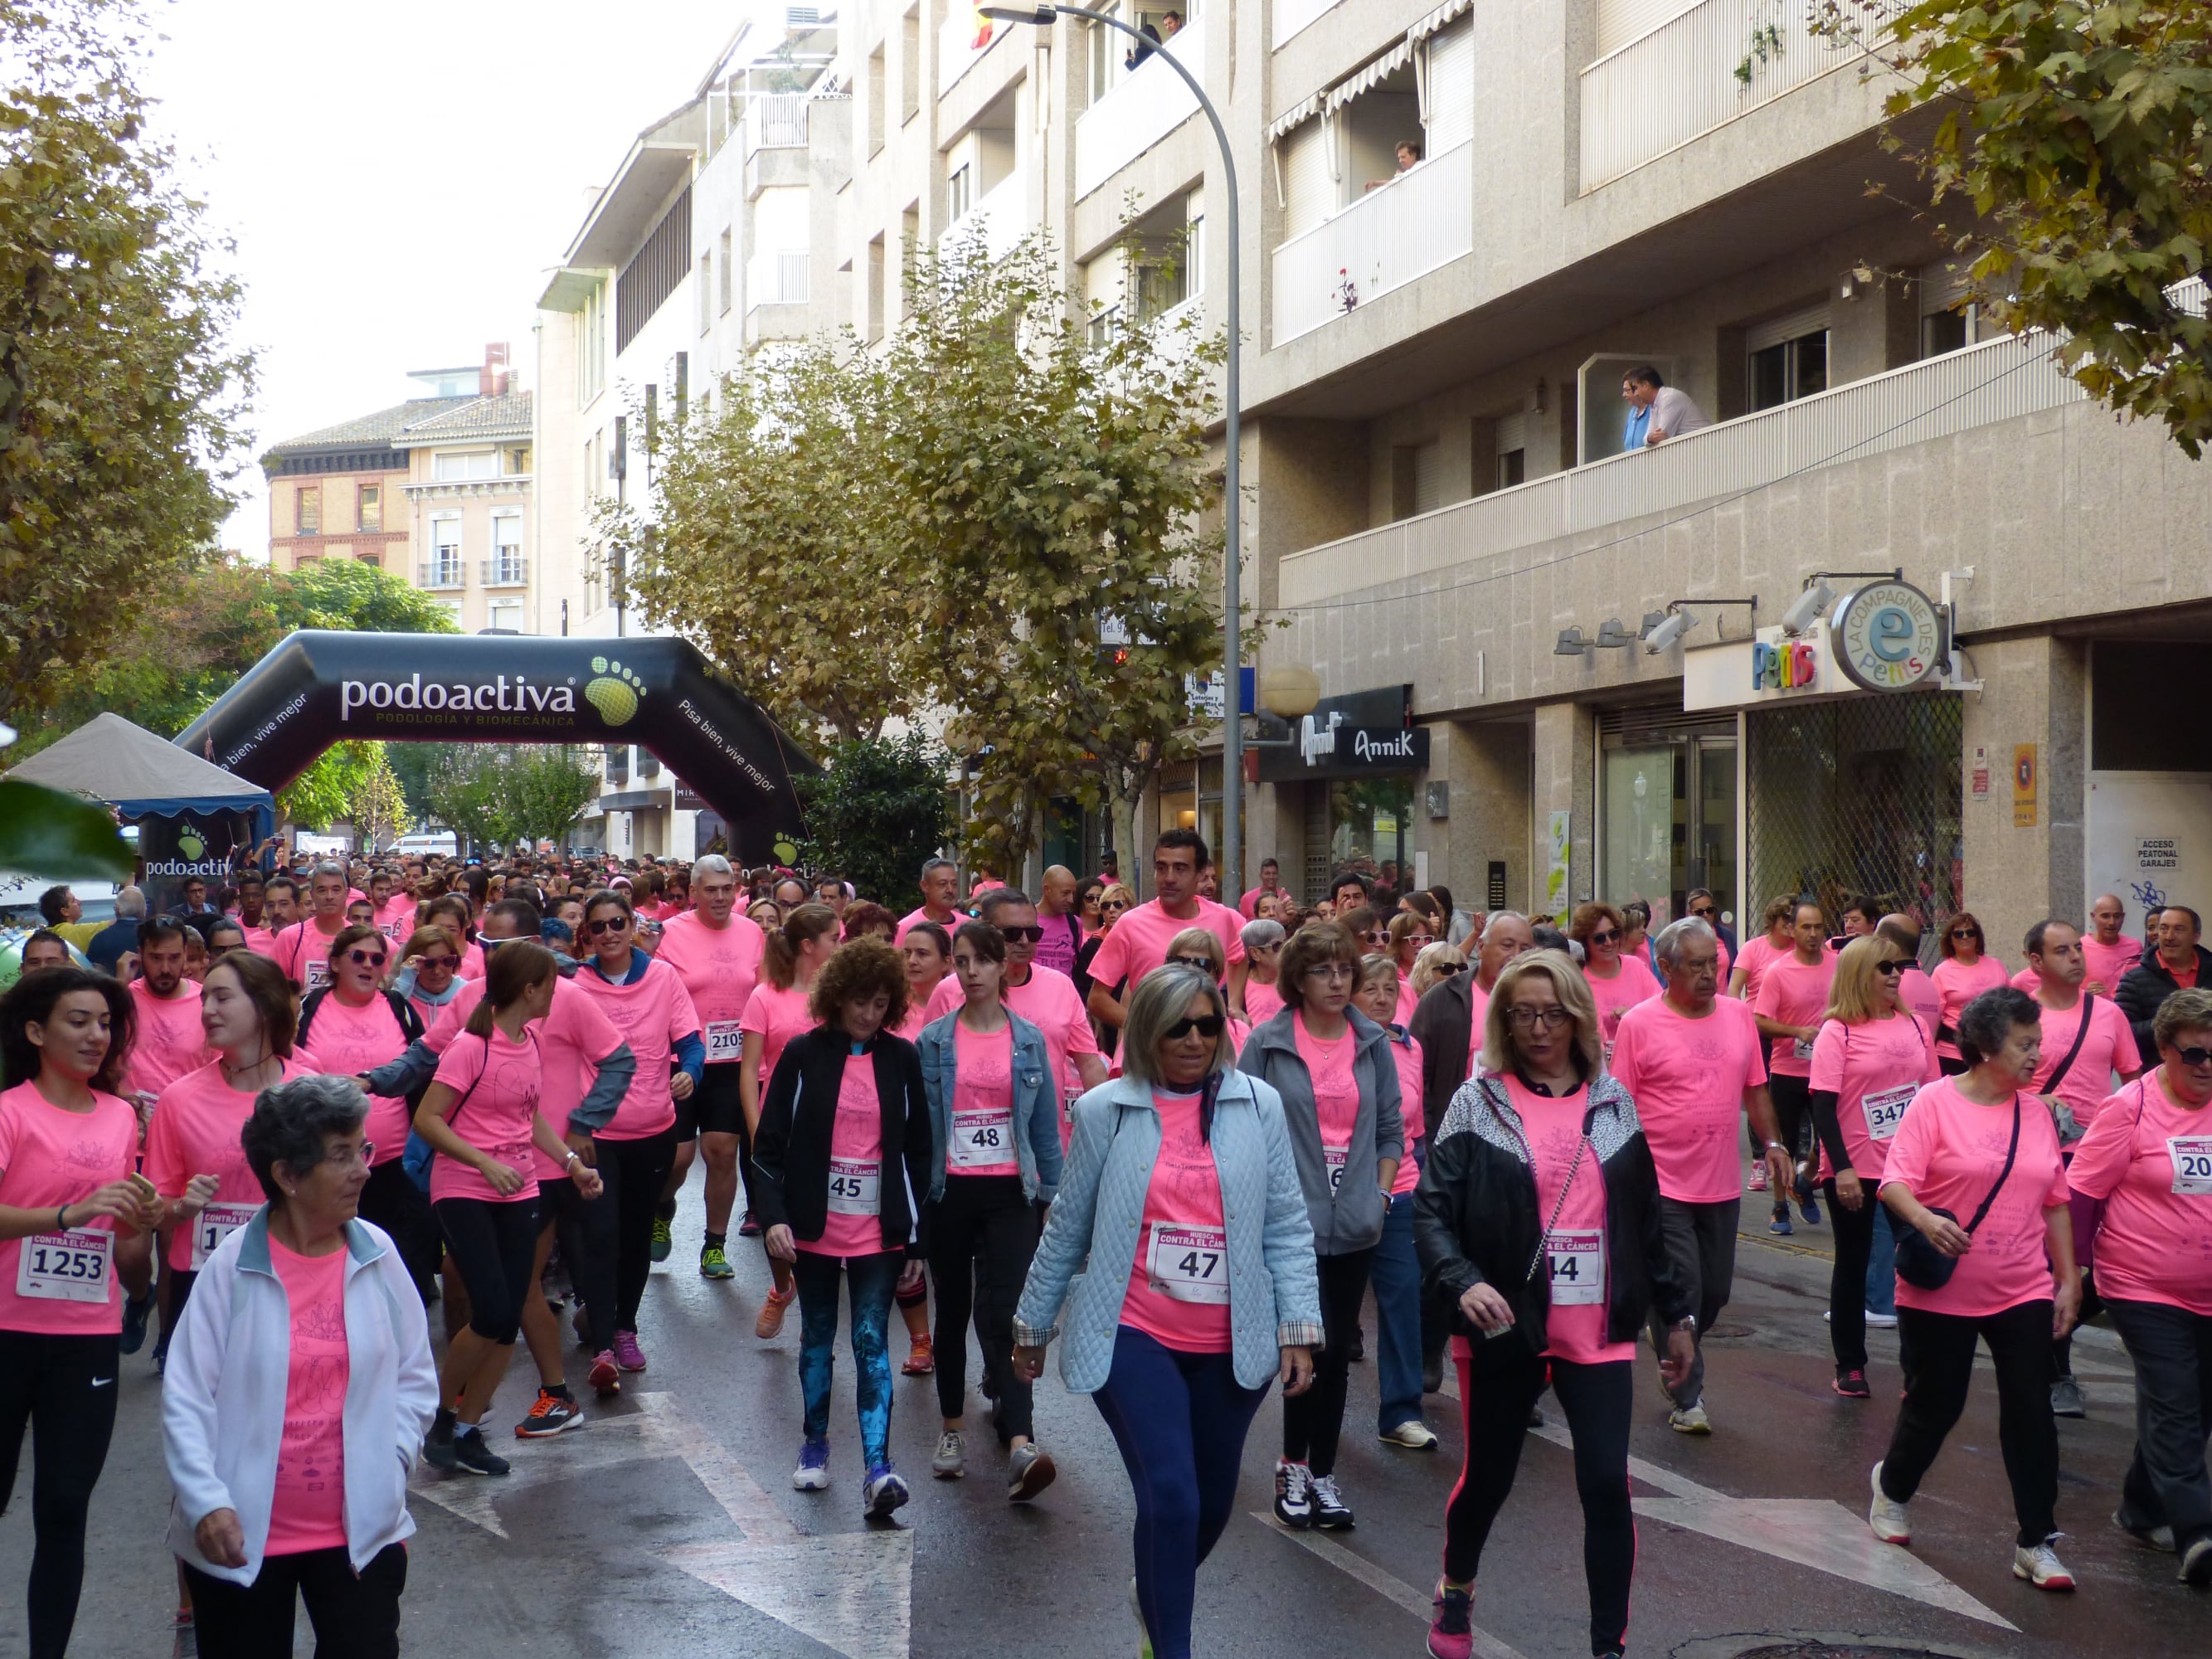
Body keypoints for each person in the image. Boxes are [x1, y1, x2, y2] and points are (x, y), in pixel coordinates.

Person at [1012, 965, 1320, 1659]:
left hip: (1233, 1342)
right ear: (1147, 1029)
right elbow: (1067, 1225)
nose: (1192, 1039)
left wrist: (1299, 1328)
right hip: (1132, 1331)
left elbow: (1286, 1223)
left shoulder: (1259, 1105)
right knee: (1173, 1498)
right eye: (1176, 1025)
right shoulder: (1103, 1109)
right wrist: (1031, 1327)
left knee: (1207, 1507)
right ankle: (1171, 1646)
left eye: (1207, 1024)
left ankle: (1152, 1586)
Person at [1414, 951, 1695, 1659]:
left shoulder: (1614, 1102)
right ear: (1503, 1021)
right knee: (1488, 1478)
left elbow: (1644, 1218)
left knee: (1605, 1483)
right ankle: (1456, 1587)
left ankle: (1609, 1646)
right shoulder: (1477, 1103)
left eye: (1553, 1013)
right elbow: (1431, 1212)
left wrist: (1676, 1318)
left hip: (1597, 1325)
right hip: (1506, 1321)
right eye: (1522, 1013)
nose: (1539, 1028)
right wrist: (1462, 1281)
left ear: (1579, 1018)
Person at [161, 1074, 437, 1657]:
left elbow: (415, 1378)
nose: (364, 1168)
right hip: (240, 1545)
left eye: (361, 1149)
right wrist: (207, 1501)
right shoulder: (231, 1268)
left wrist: (391, 1466)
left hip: (360, 1538)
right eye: (341, 1156)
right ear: (286, 1175)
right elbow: (187, 1394)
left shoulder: (378, 1255)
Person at [367, 900, 635, 1426]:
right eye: (482, 943)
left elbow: (619, 1061)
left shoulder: (567, 999)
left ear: (530, 952)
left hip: (548, 1170)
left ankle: (521, 1393)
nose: (482, 954)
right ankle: (481, 1400)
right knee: (491, 1289)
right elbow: (423, 1060)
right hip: (497, 1174)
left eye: (496, 946)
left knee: (530, 1287)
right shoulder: (476, 1002)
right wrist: (372, 1082)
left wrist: (581, 1127)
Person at [1869, 986, 2080, 1590]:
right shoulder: (1932, 1104)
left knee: (2030, 1410)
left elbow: (2056, 1203)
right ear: (1986, 1046)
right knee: (1937, 1404)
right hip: (1942, 1289)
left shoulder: (2037, 1114)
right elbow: (1894, 1183)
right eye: (2024, 1044)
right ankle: (1892, 1488)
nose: (2035, 1055)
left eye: (2037, 1043)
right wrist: (1927, 1220)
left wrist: (2067, 1279)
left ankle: (2036, 1541)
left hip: (2021, 1286)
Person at [0, 966, 163, 1658]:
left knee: (65, 1511)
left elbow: (122, 1226)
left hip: (86, 1337)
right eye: (79, 1021)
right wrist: (68, 1213)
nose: (97, 1035)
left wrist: (154, 1217)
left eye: (105, 1023)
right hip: (5, 1331)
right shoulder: (9, 1111)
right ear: (36, 1032)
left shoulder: (123, 1114)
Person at [753, 939, 933, 1518]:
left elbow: (917, 1153)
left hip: (878, 1229)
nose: (869, 1014)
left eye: (881, 1004)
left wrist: (914, 1237)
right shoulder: (804, 1055)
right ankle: (813, 1444)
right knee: (817, 1337)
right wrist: (776, 1217)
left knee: (872, 1342)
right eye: (860, 1001)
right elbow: (767, 1148)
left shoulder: (901, 1059)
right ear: (836, 998)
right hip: (812, 1227)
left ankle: (878, 1467)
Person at [414, 941, 605, 1475]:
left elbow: (531, 1117)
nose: (557, 992)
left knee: (506, 1321)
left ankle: (470, 1430)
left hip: (518, 1189)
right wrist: (484, 1162)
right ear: (529, 989)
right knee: (494, 1309)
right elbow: (428, 1120)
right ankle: (444, 1419)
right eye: (551, 983)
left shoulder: (532, 1040)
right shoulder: (471, 1046)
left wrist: (570, 1164)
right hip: (464, 1188)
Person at [1238, 919, 1402, 1530]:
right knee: (1304, 1344)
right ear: (1296, 981)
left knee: (1334, 1352)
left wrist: (1380, 1197)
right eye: (1322, 971)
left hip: (1355, 1222)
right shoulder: (1267, 1042)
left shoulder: (1371, 1041)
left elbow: (1390, 1128)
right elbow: (1242, 1128)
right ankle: (1291, 1465)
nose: (1337, 982)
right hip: (1290, 1226)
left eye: (1344, 970)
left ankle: (1323, 1473)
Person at [1610, 917, 1791, 1432]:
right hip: (1661, 1183)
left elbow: (1756, 1090)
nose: (1710, 973)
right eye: (1696, 965)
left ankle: (1669, 1325)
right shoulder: (1639, 1024)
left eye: (1714, 962)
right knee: (1686, 1289)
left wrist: (1774, 1143)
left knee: (1714, 1294)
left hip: (1720, 1184)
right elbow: (1619, 1107)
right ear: (1664, 968)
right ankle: (1688, 1398)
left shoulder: (1738, 1016)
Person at [2067, 986, 2212, 1583]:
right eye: (2196, 1055)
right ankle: (2198, 1534)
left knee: (2191, 1405)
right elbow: (2081, 1194)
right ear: (2163, 1050)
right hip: (2140, 1286)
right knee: (2176, 1404)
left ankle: (2139, 1505)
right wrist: (2070, 1277)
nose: (2207, 1067)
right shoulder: (2128, 1108)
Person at [916, 922, 1064, 1497]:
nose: (970, 971)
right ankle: (952, 1427)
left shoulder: (1027, 1040)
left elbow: (1045, 1130)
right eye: (961, 961)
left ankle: (1021, 1442)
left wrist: (1049, 1203)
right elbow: (919, 1132)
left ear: (1004, 967)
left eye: (981, 961)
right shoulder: (931, 1042)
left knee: (1009, 1314)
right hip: (949, 1191)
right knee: (951, 1312)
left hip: (1011, 1195)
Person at [144, 954, 317, 1366]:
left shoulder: (307, 1089)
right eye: (204, 998)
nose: (206, 1011)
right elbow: (157, 1209)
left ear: (264, 1006)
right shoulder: (179, 1098)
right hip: (206, 1281)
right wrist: (182, 1207)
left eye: (222, 998)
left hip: (293, 1275)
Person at [567, 889, 702, 1376]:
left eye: (617, 923)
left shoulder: (663, 977)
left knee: (635, 1236)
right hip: (597, 1136)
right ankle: (603, 1342)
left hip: (654, 1129)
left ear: (632, 926)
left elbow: (690, 1042)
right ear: (587, 934)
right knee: (601, 1236)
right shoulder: (575, 984)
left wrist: (691, 1071)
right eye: (598, 927)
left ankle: (626, 1328)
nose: (609, 934)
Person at [1804, 935, 1939, 1399]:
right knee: (1854, 1262)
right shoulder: (1837, 1031)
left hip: (1909, 1168)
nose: (1895, 975)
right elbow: (1822, 1107)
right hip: (1854, 1166)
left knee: (1920, 1263)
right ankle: (1850, 1365)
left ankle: (1919, 1368)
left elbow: (1933, 1095)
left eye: (1898, 966)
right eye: (1885, 968)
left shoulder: (1917, 1026)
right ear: (1861, 973)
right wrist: (1839, 1168)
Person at [2020, 917, 2143, 1418]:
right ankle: (2057, 1372)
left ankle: (2045, 1334)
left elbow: (2135, 1080)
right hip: (2038, 1156)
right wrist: (2037, 1099)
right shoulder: (2022, 1016)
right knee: (2056, 1264)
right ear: (2036, 962)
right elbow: (1993, 1080)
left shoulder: (2108, 1014)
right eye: (2062, 950)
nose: (2076, 957)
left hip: (2099, 1155)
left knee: (2111, 1263)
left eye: (2077, 948)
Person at [293, 925, 435, 1304]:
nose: (368, 965)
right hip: (324, 1162)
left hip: (393, 1162)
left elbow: (421, 1068)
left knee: (393, 1264)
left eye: (377, 958)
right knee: (334, 1261)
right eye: (358, 956)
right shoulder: (309, 1007)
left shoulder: (397, 1007)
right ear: (336, 963)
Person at [652, 856, 769, 1281]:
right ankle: (663, 1208)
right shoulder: (672, 933)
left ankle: (714, 1246)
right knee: (678, 1156)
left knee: (721, 1152)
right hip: (680, 1060)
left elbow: (763, 991)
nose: (720, 897)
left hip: (732, 1062)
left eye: (727, 889)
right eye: (711, 889)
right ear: (695, 891)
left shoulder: (753, 932)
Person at [922, 890, 1106, 1150]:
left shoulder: (1061, 987)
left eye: (1032, 933)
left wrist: (1105, 1123)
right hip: (965, 1154)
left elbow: (1089, 1064)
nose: (1023, 941)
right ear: (985, 933)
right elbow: (928, 1073)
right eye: (1010, 933)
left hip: (1043, 1149)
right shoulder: (950, 991)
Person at [739, 904, 843, 1337]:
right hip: (780, 1125)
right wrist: (757, 1128)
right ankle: (782, 1289)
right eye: (835, 938)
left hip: (835, 1124)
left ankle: (818, 1326)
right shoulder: (765, 995)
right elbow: (749, 1071)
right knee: (775, 1217)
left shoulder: (838, 997)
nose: (842, 946)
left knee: (827, 1223)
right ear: (808, 945)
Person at [1350, 955, 1437, 1449]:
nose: (1382, 998)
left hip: (1400, 1190)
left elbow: (1416, 1131)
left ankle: (1401, 1412)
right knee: (1333, 1314)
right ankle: (1319, 1408)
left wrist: (1420, 1183)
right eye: (1372, 989)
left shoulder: (1411, 1048)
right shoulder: (1342, 1046)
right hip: (1341, 1195)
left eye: (1389, 989)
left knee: (1403, 1297)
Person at [1086, 830, 1248, 1031]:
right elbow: (1096, 999)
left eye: (1180, 869)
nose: (1169, 878)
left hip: (1207, 1050)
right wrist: (1146, 1029)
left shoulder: (1223, 918)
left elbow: (1241, 957)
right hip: (1149, 1056)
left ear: (1199, 873)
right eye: (1162, 868)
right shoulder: (1131, 923)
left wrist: (1233, 1005)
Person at [1753, 901, 1837, 1235]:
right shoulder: (1779, 971)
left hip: (1827, 1071)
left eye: (1819, 927)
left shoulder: (1838, 965)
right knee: (1782, 1143)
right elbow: (1759, 1021)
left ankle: (1804, 1184)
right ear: (1793, 930)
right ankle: (1779, 1206)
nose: (1814, 934)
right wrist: (1797, 1032)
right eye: (1806, 927)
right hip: (1788, 1070)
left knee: (1829, 1140)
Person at [1410, 911, 1535, 1131]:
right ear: (1481, 947)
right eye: (1507, 945)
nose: (1516, 955)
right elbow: (1418, 1077)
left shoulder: (1541, 1004)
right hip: (1455, 1133)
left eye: (1524, 949)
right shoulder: (1443, 999)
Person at [128, 917, 213, 1106]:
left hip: (190, 1118)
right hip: (135, 1121)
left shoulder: (207, 1004)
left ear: (184, 954)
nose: (165, 969)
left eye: (174, 958)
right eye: (156, 958)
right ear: (140, 954)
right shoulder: (123, 1000)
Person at [2119, 906, 2212, 1064]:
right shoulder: (2133, 980)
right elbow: (2122, 1032)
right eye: (2164, 929)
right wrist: (2168, 1022)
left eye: (2179, 929)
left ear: (2196, 937)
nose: (2169, 936)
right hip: (2159, 1077)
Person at [1569, 902, 1660, 1063]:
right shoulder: (1577, 978)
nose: (1609, 942)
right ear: (1585, 942)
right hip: (1596, 1066)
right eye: (1599, 938)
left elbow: (1662, 1010)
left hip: (1640, 1060)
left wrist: (1634, 1016)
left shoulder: (1636, 966)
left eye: (1613, 934)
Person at [1931, 910, 2007, 1075]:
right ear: (1950, 939)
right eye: (1958, 934)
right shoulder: (1941, 972)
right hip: (1952, 1053)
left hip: (1992, 1050)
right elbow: (1935, 1017)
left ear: (1977, 936)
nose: (1965, 937)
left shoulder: (1996, 965)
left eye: (1970, 932)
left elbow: (2008, 1005)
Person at [272, 864, 353, 993]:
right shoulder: (290, 937)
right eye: (322, 890)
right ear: (312, 894)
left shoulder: (358, 938)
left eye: (336, 889)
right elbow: (274, 989)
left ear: (347, 893)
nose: (329, 896)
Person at [391, 925, 469, 1029]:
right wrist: (404, 982)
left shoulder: (468, 994)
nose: (437, 971)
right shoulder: (404, 994)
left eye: (446, 961)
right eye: (429, 963)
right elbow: (386, 1027)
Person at [1725, 894, 1796, 1004]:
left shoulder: (1800, 948)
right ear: (1774, 917)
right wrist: (1740, 1016)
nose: (1790, 923)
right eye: (1786, 917)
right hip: (1755, 1019)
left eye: (1795, 919)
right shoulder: (1752, 948)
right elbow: (1734, 989)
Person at [1620, 363, 1709, 450]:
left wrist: (1650, 438)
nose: (1635, 393)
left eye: (1635, 388)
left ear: (1646, 385)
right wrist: (1649, 438)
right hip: (1693, 450)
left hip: (1707, 447)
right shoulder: (1654, 404)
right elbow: (1647, 438)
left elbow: (1662, 438)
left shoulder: (1669, 398)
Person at [2078, 893, 2143, 997]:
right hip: (2093, 1010)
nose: (2112, 922)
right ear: (2093, 917)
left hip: (2126, 1010)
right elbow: (2062, 986)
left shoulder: (2135, 947)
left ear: (2123, 918)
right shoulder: (2079, 947)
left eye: (2117, 916)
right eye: (2105, 916)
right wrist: (2083, 993)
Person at [1386, 911, 1436, 1027]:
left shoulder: (1436, 973)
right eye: (1414, 940)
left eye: (1427, 939)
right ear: (1398, 942)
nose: (1422, 945)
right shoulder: (1388, 977)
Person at [896, 857, 963, 942]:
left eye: (954, 884)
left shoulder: (968, 927)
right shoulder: (906, 928)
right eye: (942, 884)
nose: (950, 890)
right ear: (925, 886)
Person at [1034, 864, 1083, 979]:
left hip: (1064, 994)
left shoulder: (1075, 924)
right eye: (1065, 893)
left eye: (1073, 894)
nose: (1071, 900)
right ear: (1047, 890)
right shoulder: (1026, 920)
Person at [84, 886, 144, 975]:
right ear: (144, 910)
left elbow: (88, 971)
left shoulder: (100, 939)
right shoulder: (152, 937)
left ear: (117, 909)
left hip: (111, 988)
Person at [1242, 919, 1287, 1025]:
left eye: (1286, 944)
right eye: (1277, 946)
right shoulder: (1237, 990)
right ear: (1255, 953)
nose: (1285, 950)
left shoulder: (1295, 982)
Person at [1683, 890, 1732, 980]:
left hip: (1722, 994)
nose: (1706, 915)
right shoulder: (1682, 939)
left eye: (1710, 910)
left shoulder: (1726, 936)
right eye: (1699, 912)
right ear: (1689, 913)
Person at [1238, 857, 1285, 921]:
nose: (1271, 877)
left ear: (1278, 876)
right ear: (1261, 876)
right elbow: (1241, 923)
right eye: (1267, 874)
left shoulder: (1285, 898)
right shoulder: (1247, 898)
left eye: (1274, 874)